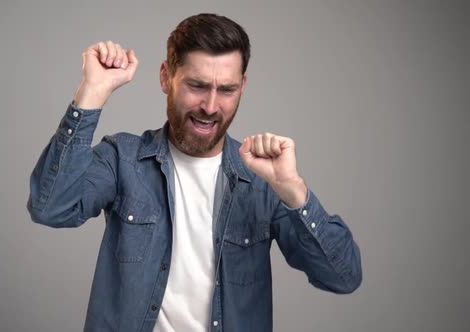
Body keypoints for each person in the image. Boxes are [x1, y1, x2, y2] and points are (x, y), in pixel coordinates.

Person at [28, 13, 361, 332]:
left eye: (227, 90)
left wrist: (292, 189)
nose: (211, 106)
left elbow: (343, 277)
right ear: (165, 77)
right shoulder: (122, 158)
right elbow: (51, 207)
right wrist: (92, 92)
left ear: (243, 85)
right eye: (197, 86)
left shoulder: (263, 182)